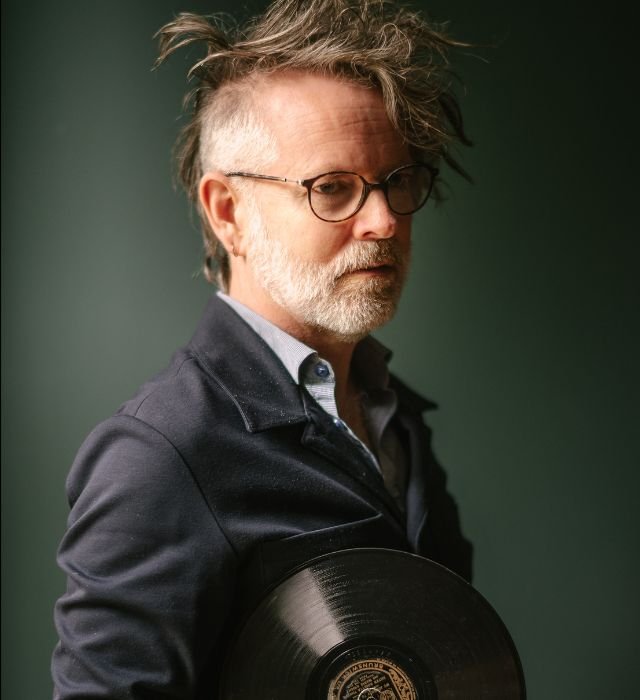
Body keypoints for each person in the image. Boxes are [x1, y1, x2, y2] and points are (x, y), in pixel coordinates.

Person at [52, 0, 474, 697]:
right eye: (332, 188)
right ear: (229, 213)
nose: (383, 220)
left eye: (398, 180)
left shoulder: (394, 416)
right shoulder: (160, 456)